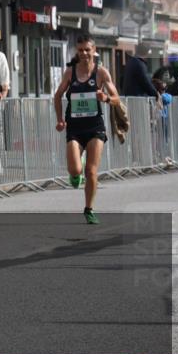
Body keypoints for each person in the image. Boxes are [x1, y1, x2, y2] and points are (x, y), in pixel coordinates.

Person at [54, 34, 121, 225]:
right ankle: (75, 174)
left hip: (95, 127)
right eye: (80, 50)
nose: (84, 53)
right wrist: (60, 120)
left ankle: (89, 209)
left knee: (91, 171)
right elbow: (57, 96)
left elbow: (117, 99)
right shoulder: (70, 72)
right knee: (75, 169)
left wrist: (106, 98)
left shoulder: (101, 73)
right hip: (74, 127)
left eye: (87, 50)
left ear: (94, 50)